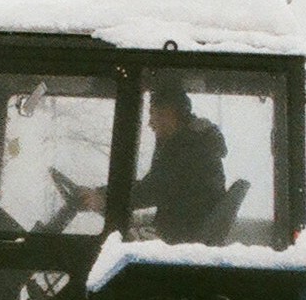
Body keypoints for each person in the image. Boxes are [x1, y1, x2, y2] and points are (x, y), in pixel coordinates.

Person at [69, 83, 228, 242]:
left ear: (169, 114)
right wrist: (101, 193)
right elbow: (156, 186)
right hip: (180, 232)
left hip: (179, 239)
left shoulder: (189, 148)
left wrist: (104, 198)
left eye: (153, 114)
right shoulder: (193, 144)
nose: (150, 123)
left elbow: (152, 189)